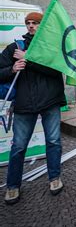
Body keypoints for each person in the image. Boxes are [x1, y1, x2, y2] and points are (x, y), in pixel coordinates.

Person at [1, 12, 66, 205]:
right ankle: (13, 186)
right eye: (28, 23)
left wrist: (28, 58)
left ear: (41, 25)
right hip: (24, 104)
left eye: (35, 23)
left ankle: (54, 178)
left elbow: (56, 69)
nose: (31, 26)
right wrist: (12, 69)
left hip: (50, 102)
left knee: (53, 142)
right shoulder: (14, 48)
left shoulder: (51, 47)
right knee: (19, 146)